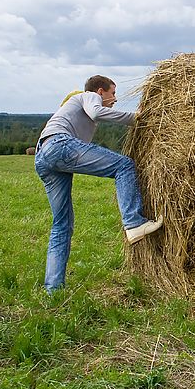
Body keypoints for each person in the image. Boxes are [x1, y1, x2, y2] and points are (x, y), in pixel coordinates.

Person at [34, 75, 163, 293]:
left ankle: (53, 290)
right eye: (112, 93)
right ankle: (133, 223)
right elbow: (97, 111)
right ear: (100, 91)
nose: (115, 98)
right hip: (59, 144)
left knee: (62, 225)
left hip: (43, 156)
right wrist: (138, 118)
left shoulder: (76, 112)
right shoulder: (88, 96)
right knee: (123, 165)